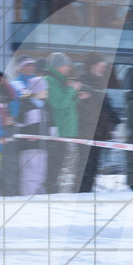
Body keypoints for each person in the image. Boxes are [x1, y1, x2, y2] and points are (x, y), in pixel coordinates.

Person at [77, 53, 120, 193]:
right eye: (101, 66)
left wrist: (114, 122)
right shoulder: (83, 81)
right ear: (92, 65)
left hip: (99, 134)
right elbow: (80, 106)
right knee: (85, 168)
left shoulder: (100, 83)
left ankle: (86, 193)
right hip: (85, 132)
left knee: (93, 168)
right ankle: (81, 194)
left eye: (104, 67)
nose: (103, 70)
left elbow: (106, 106)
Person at [44, 52, 82, 193]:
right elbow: (58, 103)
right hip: (57, 130)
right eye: (66, 65)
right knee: (54, 166)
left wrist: (76, 97)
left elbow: (65, 103)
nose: (68, 68)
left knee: (59, 165)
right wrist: (72, 89)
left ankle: (53, 191)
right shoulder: (50, 80)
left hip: (64, 130)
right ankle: (50, 192)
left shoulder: (60, 80)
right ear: (58, 66)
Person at [16, 76, 51, 195]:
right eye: (45, 89)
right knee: (29, 176)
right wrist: (27, 136)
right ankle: (27, 198)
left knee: (41, 176)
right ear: (37, 90)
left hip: (42, 147)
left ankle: (39, 199)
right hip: (29, 149)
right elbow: (20, 126)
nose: (47, 92)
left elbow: (48, 127)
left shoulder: (44, 107)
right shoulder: (25, 105)